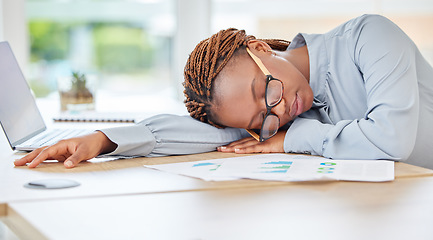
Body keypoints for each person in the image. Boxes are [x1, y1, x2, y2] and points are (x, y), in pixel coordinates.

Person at [14, 14, 433, 169]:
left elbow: (391, 137)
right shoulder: (272, 120)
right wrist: (103, 140)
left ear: (259, 48)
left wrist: (299, 139)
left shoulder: (370, 37)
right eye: (260, 122)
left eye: (265, 90)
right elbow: (210, 134)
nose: (281, 110)